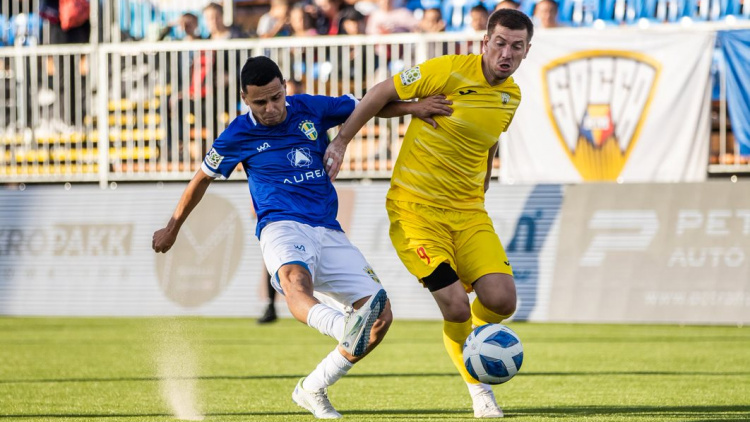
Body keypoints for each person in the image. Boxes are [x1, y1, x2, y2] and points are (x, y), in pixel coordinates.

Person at [152, 56, 452, 419]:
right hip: (280, 226)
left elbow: (369, 105)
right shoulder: (237, 134)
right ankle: (342, 327)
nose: (271, 108)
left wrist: (413, 107)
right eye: (260, 103)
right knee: (295, 283)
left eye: (276, 97)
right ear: (246, 100)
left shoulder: (310, 107)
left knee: (380, 319)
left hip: (328, 228)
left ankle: (313, 388)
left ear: (284, 87)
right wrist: (172, 227)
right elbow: (201, 179)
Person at [323, 9, 533, 418]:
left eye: (517, 46)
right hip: (416, 209)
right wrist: (344, 140)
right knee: (454, 306)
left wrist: (485, 176)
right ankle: (479, 390)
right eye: (500, 43)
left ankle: (471, 336)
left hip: (469, 212)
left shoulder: (513, 96)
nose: (506, 53)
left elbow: (488, 138)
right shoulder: (449, 70)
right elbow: (379, 93)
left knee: (502, 301)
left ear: (527, 51)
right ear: (484, 43)